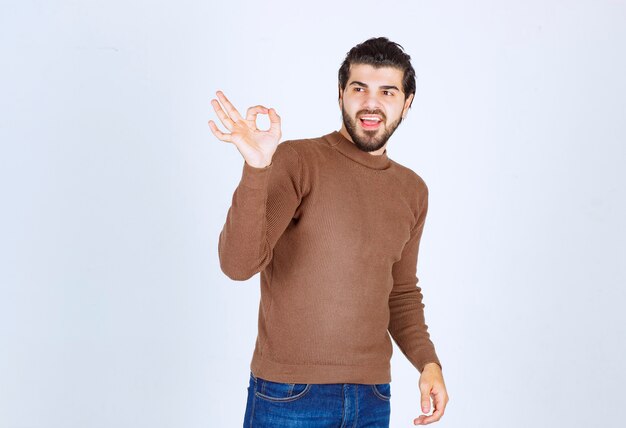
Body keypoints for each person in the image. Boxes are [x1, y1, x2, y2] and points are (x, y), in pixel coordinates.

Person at [209, 36, 449, 427]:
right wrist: (256, 168)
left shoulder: (412, 190)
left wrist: (428, 362)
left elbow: (401, 292)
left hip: (372, 396)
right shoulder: (297, 160)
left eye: (387, 92)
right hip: (290, 394)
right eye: (359, 88)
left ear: (407, 104)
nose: (371, 103)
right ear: (341, 95)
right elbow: (237, 265)